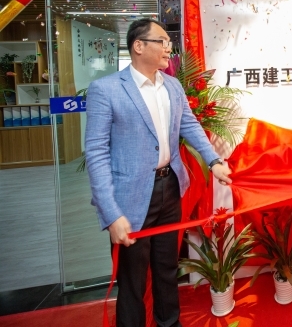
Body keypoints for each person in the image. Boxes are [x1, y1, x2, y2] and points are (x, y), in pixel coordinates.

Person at [85, 18, 232, 327]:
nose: (169, 48)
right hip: (130, 198)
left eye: (169, 42)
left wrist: (213, 161)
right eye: (162, 42)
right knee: (133, 279)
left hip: (169, 188)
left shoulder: (172, 86)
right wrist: (111, 214)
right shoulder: (106, 89)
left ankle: (169, 323)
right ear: (139, 46)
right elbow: (96, 153)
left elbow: (189, 125)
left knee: (167, 269)